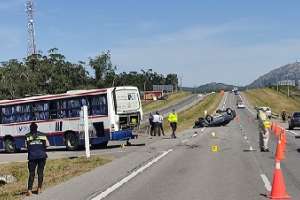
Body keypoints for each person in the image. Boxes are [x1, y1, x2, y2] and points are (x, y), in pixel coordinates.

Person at [25, 122, 49, 196]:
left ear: (30, 128)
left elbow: (26, 146)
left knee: (31, 174)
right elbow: (48, 144)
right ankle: (39, 189)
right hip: (42, 156)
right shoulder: (43, 135)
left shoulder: (27, 136)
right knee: (40, 172)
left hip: (32, 157)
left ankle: (29, 191)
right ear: (37, 128)